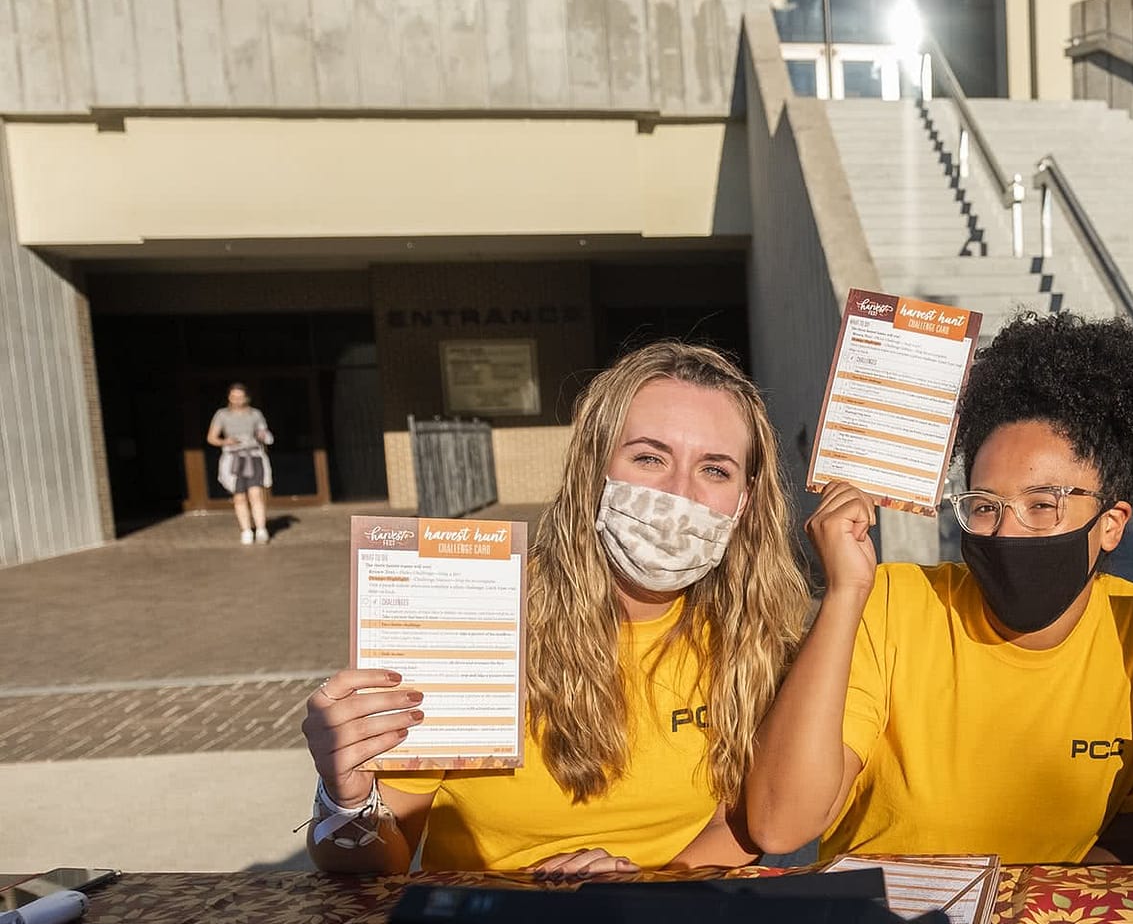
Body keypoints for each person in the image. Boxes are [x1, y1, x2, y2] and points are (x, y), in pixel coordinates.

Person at [298, 342, 810, 875]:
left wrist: (648, 889)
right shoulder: (472, 616)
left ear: (745, 499)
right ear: (593, 468)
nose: (679, 494)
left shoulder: (758, 636)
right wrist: (349, 799)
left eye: (715, 470)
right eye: (649, 458)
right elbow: (373, 867)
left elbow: (745, 822)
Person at [747, 311, 1133, 865]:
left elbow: (1128, 836)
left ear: (1111, 524)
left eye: (1042, 505)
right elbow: (780, 825)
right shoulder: (893, 603)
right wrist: (843, 594)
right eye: (984, 506)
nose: (1006, 530)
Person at [207, 382, 273, 543]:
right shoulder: (222, 415)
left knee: (256, 493)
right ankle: (246, 530)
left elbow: (264, 432)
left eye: (240, 397)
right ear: (229, 397)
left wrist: (262, 436)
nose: (237, 400)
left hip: (254, 455)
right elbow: (211, 438)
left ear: (246, 398)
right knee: (239, 496)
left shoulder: (255, 414)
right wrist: (225, 441)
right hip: (234, 458)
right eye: (234, 396)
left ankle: (261, 529)